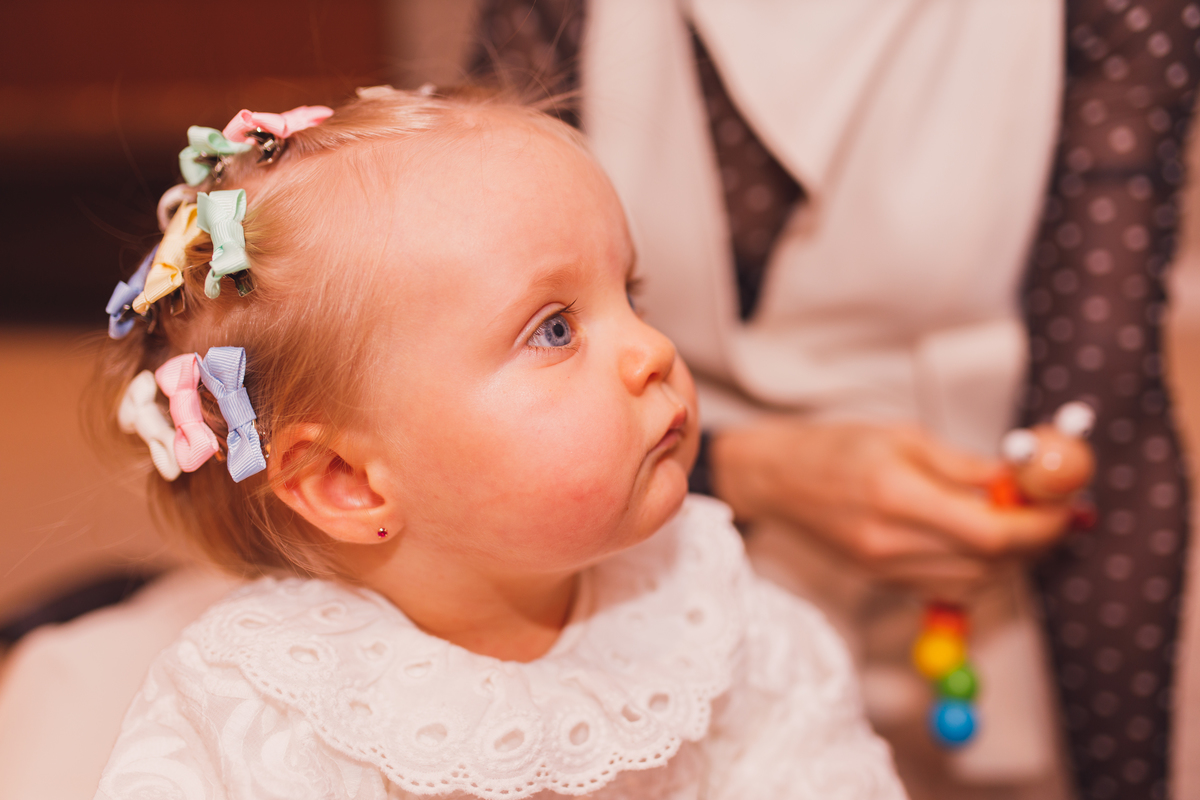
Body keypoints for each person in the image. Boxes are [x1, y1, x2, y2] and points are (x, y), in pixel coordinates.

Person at [91, 87, 908, 799]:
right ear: (348, 480)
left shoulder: (715, 610)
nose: (652, 350)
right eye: (554, 329)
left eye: (630, 292)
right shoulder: (254, 713)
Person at [470, 2, 1195, 799]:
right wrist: (740, 470)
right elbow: (458, 378)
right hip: (628, 548)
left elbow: (1105, 403)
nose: (647, 347)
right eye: (562, 326)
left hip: (971, 597)